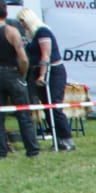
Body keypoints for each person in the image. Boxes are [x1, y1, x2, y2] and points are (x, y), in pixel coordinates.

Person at [17, 7, 70, 151]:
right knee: (47, 108)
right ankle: (56, 139)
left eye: (23, 21)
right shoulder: (31, 36)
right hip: (39, 71)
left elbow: (45, 56)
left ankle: (66, 139)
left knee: (54, 106)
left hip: (53, 72)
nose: (22, 24)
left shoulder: (43, 31)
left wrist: (42, 75)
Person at [0, 0, 38, 157]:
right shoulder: (11, 31)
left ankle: (2, 151)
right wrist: (21, 75)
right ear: (6, 12)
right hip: (12, 74)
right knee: (23, 114)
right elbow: (23, 59)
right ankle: (32, 149)